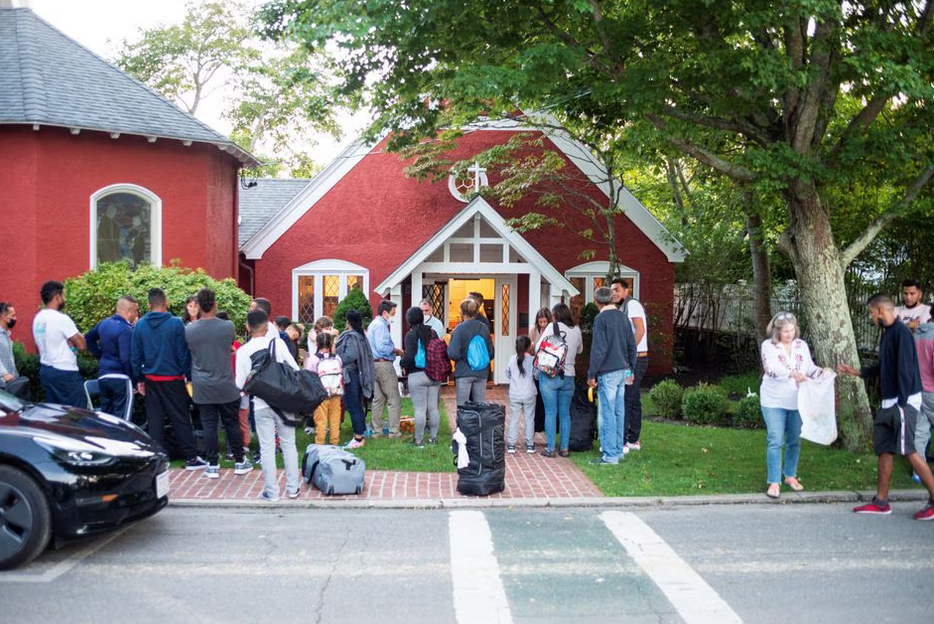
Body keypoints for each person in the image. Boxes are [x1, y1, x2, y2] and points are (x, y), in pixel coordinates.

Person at [838, 294, 934, 519]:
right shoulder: (888, 333)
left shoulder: (901, 333)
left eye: (872, 313)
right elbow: (885, 365)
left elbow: (906, 370)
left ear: (881, 311)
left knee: (908, 450)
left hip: (902, 402)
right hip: (889, 401)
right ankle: (881, 502)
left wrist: (902, 404)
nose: (871, 317)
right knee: (885, 449)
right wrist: (858, 372)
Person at [131, 288, 206, 470]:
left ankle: (157, 459)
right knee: (180, 418)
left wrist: (139, 379)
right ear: (166, 303)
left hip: (150, 379)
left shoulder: (140, 325)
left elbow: (135, 356)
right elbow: (182, 354)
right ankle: (191, 458)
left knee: (154, 420)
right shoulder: (175, 324)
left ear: (148, 305)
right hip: (173, 378)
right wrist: (189, 376)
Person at [235, 309, 301, 501]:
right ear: (267, 326)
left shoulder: (243, 351)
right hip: (283, 401)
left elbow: (239, 383)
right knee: (289, 444)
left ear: (248, 327)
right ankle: (293, 488)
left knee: (266, 448)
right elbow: (295, 368)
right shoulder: (278, 344)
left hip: (261, 403)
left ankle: (272, 491)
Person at [186, 288, 251, 479]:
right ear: (215, 304)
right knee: (231, 423)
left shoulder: (190, 330)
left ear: (198, 306)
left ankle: (213, 464)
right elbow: (228, 346)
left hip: (202, 384)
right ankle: (239, 460)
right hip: (225, 382)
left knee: (209, 425)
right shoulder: (227, 326)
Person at [759, 312, 819, 499]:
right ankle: (774, 481)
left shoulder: (801, 346)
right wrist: (792, 374)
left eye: (792, 330)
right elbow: (771, 369)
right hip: (773, 400)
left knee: (794, 439)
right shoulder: (768, 346)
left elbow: (809, 368)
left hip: (797, 401)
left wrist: (822, 373)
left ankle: (790, 475)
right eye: (785, 331)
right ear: (777, 331)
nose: (789, 334)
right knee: (776, 439)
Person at [587, 286, 636, 465]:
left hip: (607, 372)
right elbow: (632, 346)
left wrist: (591, 374)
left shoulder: (601, 319)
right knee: (618, 412)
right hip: (622, 370)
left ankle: (609, 456)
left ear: (596, 301)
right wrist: (631, 370)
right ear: (612, 298)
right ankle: (617, 451)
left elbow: (598, 349)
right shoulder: (623, 317)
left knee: (608, 414)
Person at [535, 303, 583, 458]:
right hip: (569, 375)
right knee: (565, 414)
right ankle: (564, 448)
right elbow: (580, 350)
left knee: (550, 412)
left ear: (555, 315)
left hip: (551, 374)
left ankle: (550, 448)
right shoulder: (576, 329)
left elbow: (537, 348)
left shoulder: (551, 327)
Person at [32, 280, 86, 407]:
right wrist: (75, 339)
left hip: (46, 370)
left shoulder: (38, 318)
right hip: (65, 372)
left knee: (55, 412)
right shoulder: (61, 318)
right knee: (77, 412)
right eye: (63, 295)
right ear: (57, 297)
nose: (64, 299)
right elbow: (82, 345)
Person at [84, 296, 139, 418]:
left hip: (103, 376)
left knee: (107, 418)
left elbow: (88, 338)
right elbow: (125, 358)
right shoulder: (126, 329)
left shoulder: (104, 324)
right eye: (135, 311)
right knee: (122, 420)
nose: (136, 314)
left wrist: (100, 355)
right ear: (128, 312)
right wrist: (134, 381)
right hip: (121, 378)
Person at [611, 278, 649, 454]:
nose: (614, 293)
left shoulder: (632, 305)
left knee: (626, 398)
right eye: (612, 290)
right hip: (635, 359)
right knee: (633, 399)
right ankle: (633, 439)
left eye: (617, 290)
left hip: (636, 360)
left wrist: (628, 353)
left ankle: (624, 441)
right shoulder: (624, 307)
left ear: (627, 291)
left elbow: (640, 330)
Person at [400, 306, 442, 447]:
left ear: (409, 320)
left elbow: (409, 357)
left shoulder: (411, 335)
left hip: (417, 374)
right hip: (434, 374)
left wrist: (402, 363)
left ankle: (419, 440)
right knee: (433, 408)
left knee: (420, 409)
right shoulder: (433, 332)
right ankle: (433, 439)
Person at [335, 309, 375, 449]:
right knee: (356, 405)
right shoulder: (360, 335)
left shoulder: (352, 337)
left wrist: (336, 359)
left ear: (348, 321)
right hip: (356, 374)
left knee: (353, 406)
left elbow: (350, 355)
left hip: (351, 375)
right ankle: (360, 434)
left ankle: (358, 438)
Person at [367, 300, 404, 438]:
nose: (393, 316)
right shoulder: (381, 326)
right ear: (385, 313)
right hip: (384, 364)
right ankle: (394, 432)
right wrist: (395, 350)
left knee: (378, 399)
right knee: (393, 399)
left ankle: (376, 431)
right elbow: (382, 347)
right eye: (392, 313)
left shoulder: (372, 324)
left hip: (374, 364)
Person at [447, 297, 494, 405]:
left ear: (462, 312)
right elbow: (491, 352)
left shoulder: (459, 329)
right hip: (481, 372)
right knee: (480, 405)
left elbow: (453, 353)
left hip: (464, 371)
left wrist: (462, 359)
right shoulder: (484, 328)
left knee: (463, 406)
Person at [305, 332, 343, 445]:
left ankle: (320, 444)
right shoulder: (337, 358)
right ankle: (334, 443)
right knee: (335, 420)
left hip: (321, 394)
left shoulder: (313, 359)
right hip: (336, 392)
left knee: (321, 421)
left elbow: (308, 376)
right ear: (331, 344)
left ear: (317, 344)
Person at [506, 335, 537, 454]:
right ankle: (530, 445)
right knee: (529, 419)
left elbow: (508, 374)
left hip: (515, 393)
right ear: (529, 347)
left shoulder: (511, 359)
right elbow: (536, 375)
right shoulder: (533, 360)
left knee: (514, 419)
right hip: (529, 393)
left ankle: (511, 445)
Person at [913, 322, 934, 468]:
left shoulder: (916, 335)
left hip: (916, 390)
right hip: (932, 392)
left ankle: (918, 471)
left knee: (920, 432)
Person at [0, 302, 28, 399]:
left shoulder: (6, 334)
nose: (15, 319)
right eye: (13, 316)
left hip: (10, 383)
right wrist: (5, 374)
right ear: (3, 316)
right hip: (3, 385)